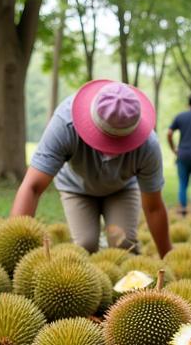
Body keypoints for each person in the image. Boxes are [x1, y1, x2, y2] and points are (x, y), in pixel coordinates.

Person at [11, 79, 171, 256]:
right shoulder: (64, 124)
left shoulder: (148, 146)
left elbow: (154, 207)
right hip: (76, 187)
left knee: (124, 245)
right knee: (86, 244)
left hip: (122, 189)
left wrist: (168, 255)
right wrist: (14, 248)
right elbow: (32, 187)